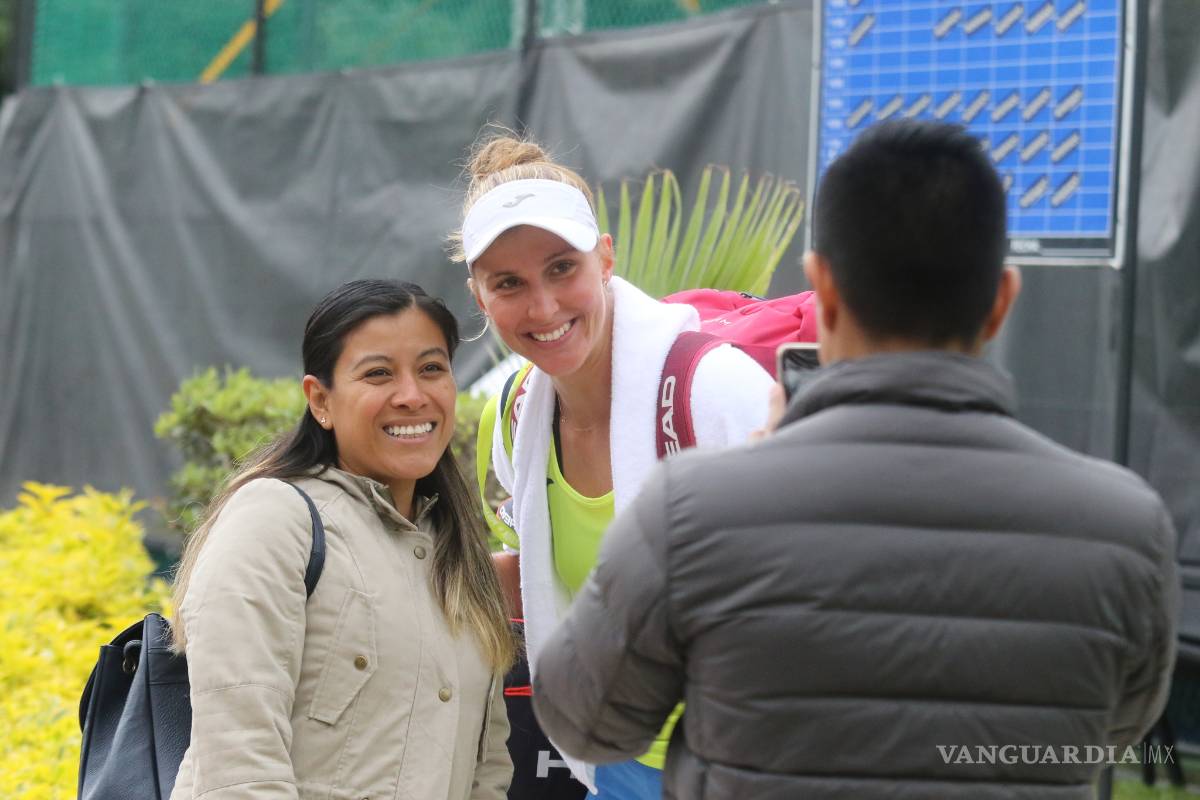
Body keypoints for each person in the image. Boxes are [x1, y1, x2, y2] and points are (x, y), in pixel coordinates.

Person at [531, 120, 1180, 799]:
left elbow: (586, 722)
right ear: (1001, 301)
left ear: (825, 290)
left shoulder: (695, 512)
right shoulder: (1126, 529)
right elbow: (1110, 726)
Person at [449, 132, 773, 797]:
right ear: (480, 296)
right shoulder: (511, 415)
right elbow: (554, 576)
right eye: (508, 283)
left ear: (606, 257)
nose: (543, 307)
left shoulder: (714, 390)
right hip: (610, 765)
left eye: (562, 267)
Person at [169, 279, 515, 800]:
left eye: (431, 369)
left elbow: (486, 770)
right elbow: (239, 757)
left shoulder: (455, 552)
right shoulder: (275, 519)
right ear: (321, 400)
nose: (412, 395)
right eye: (378, 373)